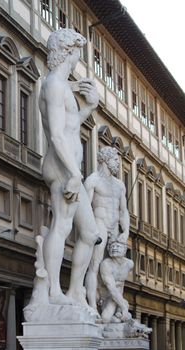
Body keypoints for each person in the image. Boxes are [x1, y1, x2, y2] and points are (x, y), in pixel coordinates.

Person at [39, 28, 101, 305]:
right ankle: (53, 291)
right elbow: (55, 134)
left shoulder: (63, 86)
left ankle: (75, 292)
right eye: (77, 51)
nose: (79, 58)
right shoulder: (53, 84)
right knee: (61, 226)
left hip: (72, 169)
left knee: (89, 233)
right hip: (63, 169)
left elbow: (72, 125)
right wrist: (74, 174)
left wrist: (91, 106)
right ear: (68, 51)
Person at [85, 146, 130, 310]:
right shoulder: (92, 180)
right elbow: (85, 208)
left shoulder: (120, 185)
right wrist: (90, 231)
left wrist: (126, 232)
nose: (118, 163)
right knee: (94, 266)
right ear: (105, 160)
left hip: (115, 228)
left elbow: (123, 211)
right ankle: (91, 306)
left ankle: (115, 308)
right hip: (99, 222)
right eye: (115, 160)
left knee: (117, 267)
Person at [99, 238, 133, 323]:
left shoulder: (129, 264)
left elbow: (121, 284)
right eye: (112, 246)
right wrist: (123, 307)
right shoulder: (106, 264)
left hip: (117, 296)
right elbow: (111, 288)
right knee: (105, 318)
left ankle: (119, 310)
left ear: (124, 250)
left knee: (115, 316)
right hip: (104, 295)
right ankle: (121, 308)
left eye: (118, 246)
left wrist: (120, 303)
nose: (114, 248)